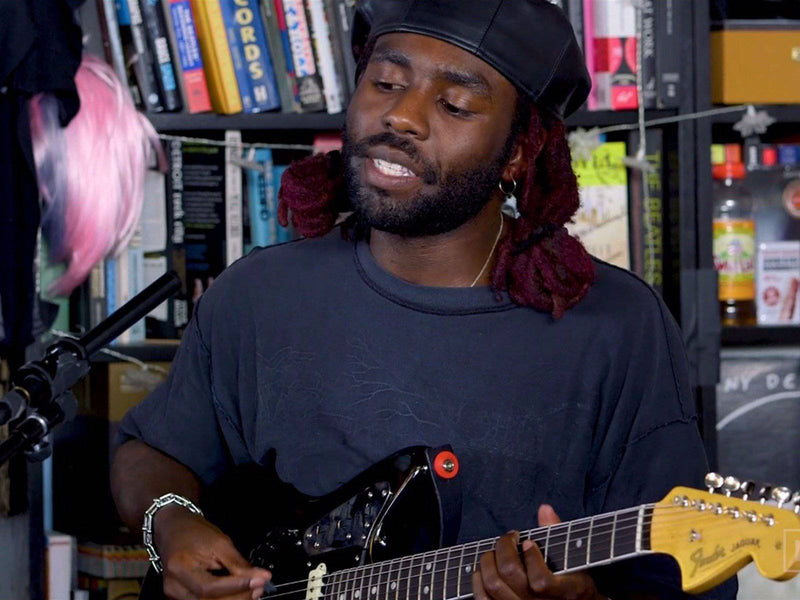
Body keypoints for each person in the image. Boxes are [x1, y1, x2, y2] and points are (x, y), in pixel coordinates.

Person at [111, 1, 738, 599]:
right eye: (385, 82)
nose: (402, 116)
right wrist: (171, 526)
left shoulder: (615, 326)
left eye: (456, 104)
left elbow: (684, 584)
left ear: (519, 153)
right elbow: (150, 452)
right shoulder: (257, 295)